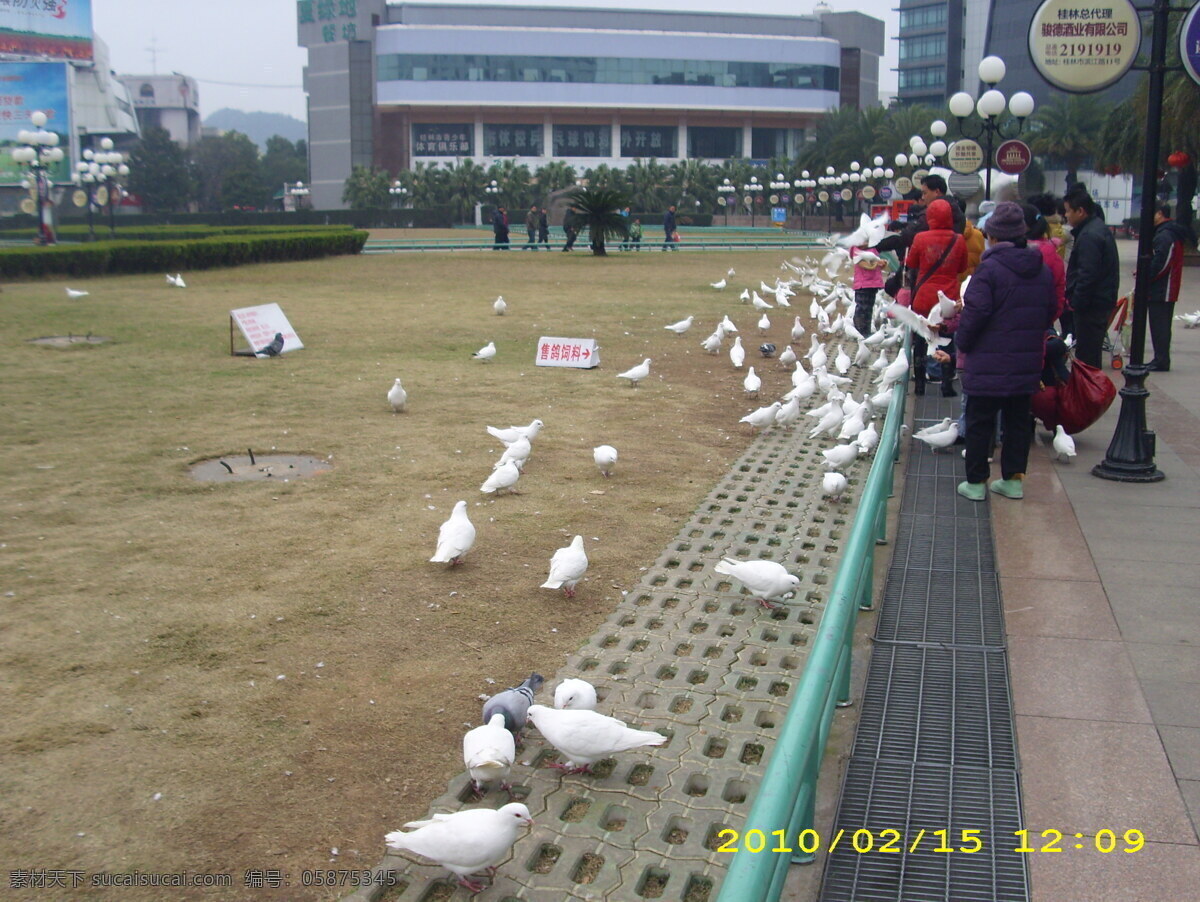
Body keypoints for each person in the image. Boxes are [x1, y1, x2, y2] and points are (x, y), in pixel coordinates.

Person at [953, 201, 1058, 502]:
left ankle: (976, 483)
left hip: (988, 362)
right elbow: (1050, 309)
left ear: (995, 237)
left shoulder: (989, 269)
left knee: (979, 420)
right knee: (1017, 422)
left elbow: (975, 314)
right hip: (1025, 361)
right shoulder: (1040, 268)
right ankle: (1013, 480)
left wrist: (964, 343)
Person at [903, 197, 967, 396]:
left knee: (921, 341)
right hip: (947, 298)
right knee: (946, 337)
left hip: (924, 297)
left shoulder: (920, 238)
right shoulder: (958, 239)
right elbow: (963, 267)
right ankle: (946, 384)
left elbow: (911, 262)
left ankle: (920, 384)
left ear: (929, 216)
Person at [1063, 187, 1119, 368]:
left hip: (1092, 306)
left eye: (1068, 211)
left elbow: (1087, 274)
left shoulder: (1090, 236)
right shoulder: (1095, 229)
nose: (1066, 216)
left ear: (1080, 211)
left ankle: (1089, 394)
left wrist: (1077, 301)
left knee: (1088, 358)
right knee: (1090, 354)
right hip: (1098, 302)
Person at [1147, 204, 1191, 371]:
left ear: (1159, 214)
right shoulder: (1168, 232)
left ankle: (1161, 360)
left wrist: (1147, 276)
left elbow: (1162, 262)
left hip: (1163, 288)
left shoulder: (1165, 235)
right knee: (1161, 325)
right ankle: (1161, 358)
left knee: (1160, 325)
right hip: (1164, 287)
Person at [850, 234, 887, 338]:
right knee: (862, 308)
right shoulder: (856, 250)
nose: (866, 243)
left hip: (873, 283)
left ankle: (866, 331)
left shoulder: (873, 249)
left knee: (869, 308)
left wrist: (882, 264)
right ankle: (859, 332)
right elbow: (866, 266)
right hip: (863, 284)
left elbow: (876, 266)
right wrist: (876, 263)